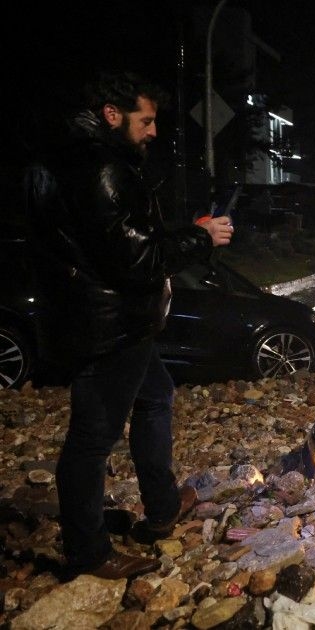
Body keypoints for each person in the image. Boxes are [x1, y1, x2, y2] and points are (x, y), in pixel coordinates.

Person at [25, 72, 234, 580]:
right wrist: (200, 237)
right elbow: (138, 258)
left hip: (113, 319)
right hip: (110, 323)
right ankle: (88, 553)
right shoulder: (102, 168)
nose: (154, 131)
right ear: (111, 115)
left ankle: (162, 507)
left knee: (155, 395)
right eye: (146, 120)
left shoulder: (74, 159)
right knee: (92, 438)